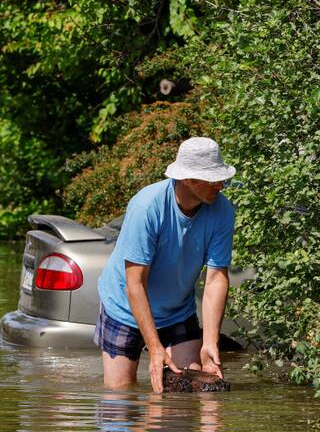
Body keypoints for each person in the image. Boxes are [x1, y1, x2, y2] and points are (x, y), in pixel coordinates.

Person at [95, 137, 236, 393]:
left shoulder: (222, 210)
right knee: (120, 396)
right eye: (214, 179)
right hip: (124, 308)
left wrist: (210, 342)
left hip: (177, 310)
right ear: (189, 180)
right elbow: (135, 283)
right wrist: (156, 348)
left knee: (190, 391)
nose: (221, 185)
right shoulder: (147, 207)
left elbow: (216, 277)